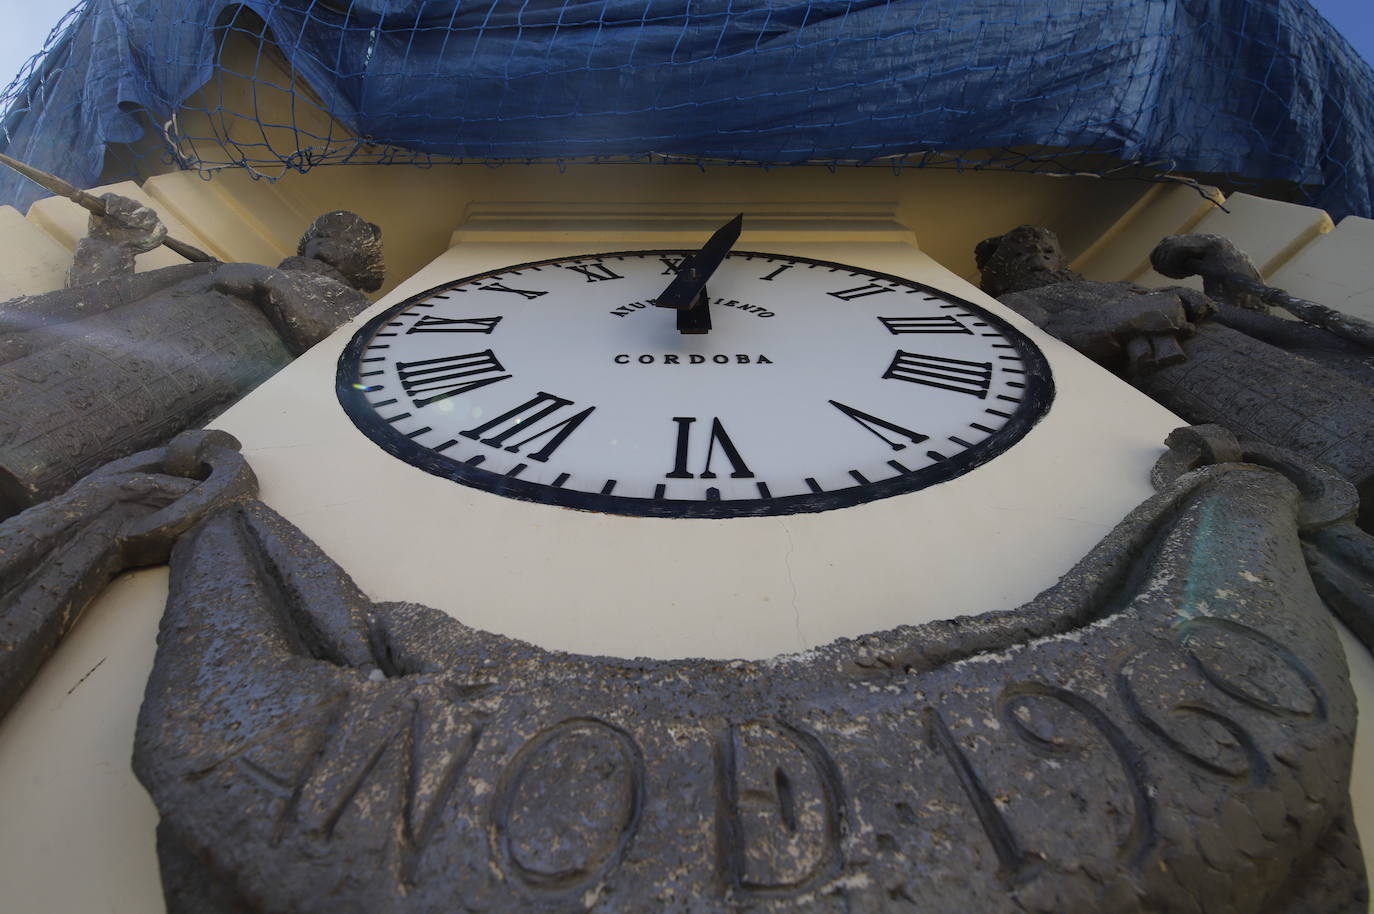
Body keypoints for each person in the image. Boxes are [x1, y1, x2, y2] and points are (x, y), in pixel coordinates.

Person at [0, 195, 383, 518]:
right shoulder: (215, 270)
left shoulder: (354, 308)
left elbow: (340, 352)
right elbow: (99, 301)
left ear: (366, 266)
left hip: (147, 408)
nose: (330, 237)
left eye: (348, 237)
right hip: (57, 371)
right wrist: (114, 242)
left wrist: (269, 282)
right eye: (324, 230)